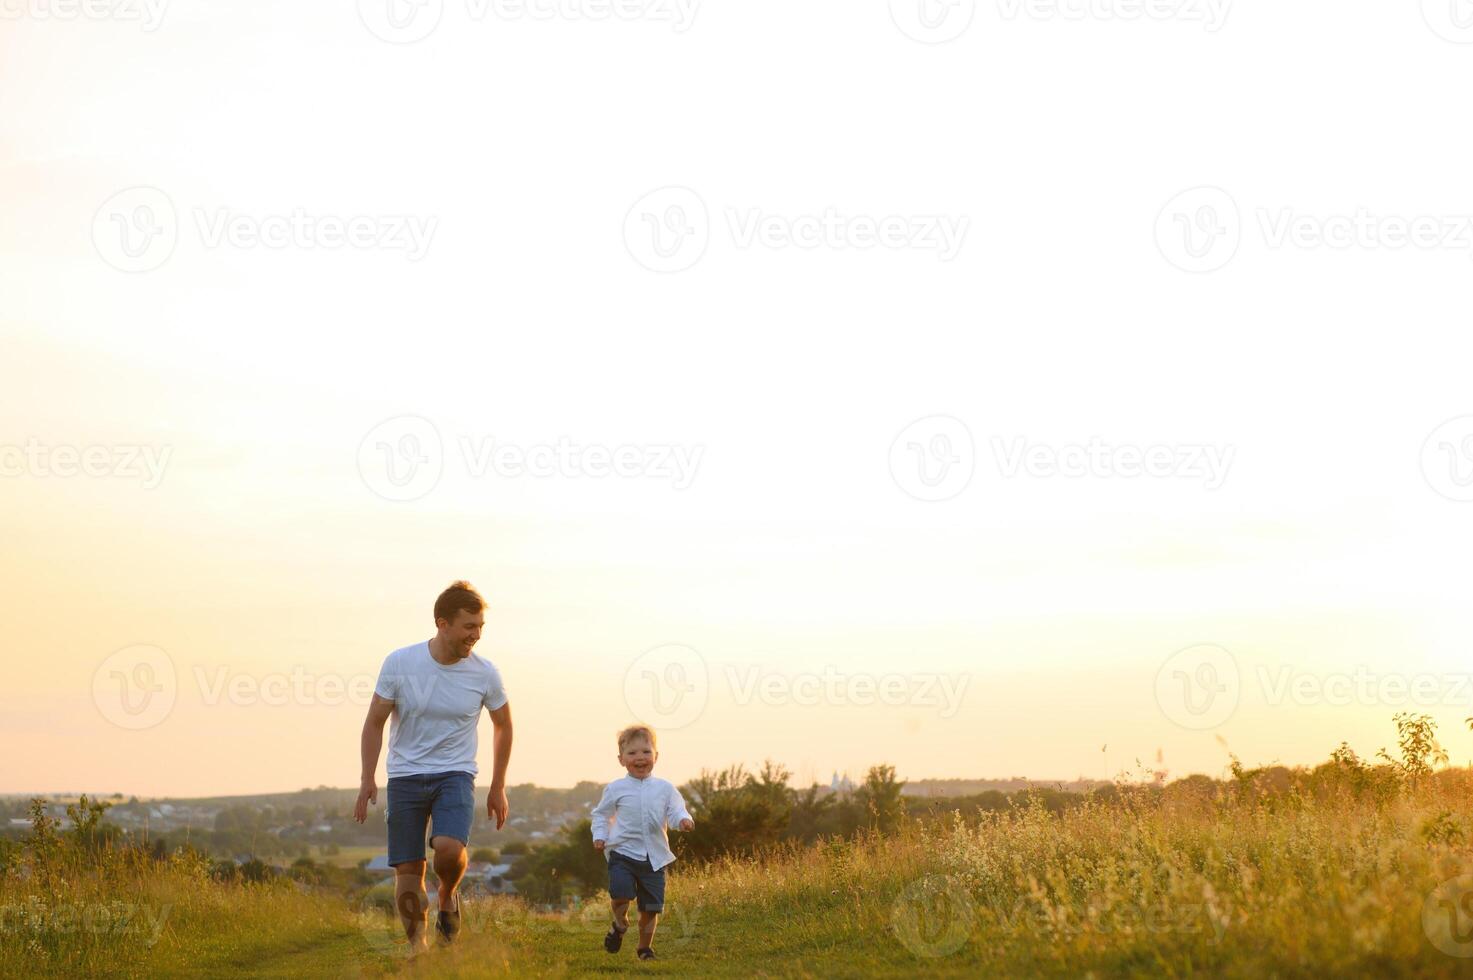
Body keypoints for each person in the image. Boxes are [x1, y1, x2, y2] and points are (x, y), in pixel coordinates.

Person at [353, 580, 513, 953]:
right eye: (468, 626)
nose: (476, 635)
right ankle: (418, 949)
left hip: (455, 774)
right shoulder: (400, 663)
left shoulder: (485, 673)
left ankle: (448, 894)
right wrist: (367, 778)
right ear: (442, 623)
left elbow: (503, 724)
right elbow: (374, 721)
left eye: (480, 627)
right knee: (408, 872)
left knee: (447, 848)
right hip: (405, 776)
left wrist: (498, 784)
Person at [591, 724, 695, 961]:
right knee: (620, 894)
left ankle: (644, 948)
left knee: (650, 908)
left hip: (655, 858)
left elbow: (677, 811)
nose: (640, 758)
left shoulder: (665, 788)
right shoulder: (616, 788)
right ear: (621, 759)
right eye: (632, 753)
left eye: (646, 752)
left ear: (656, 756)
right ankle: (620, 923)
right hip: (622, 854)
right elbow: (601, 815)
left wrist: (684, 821)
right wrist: (600, 836)